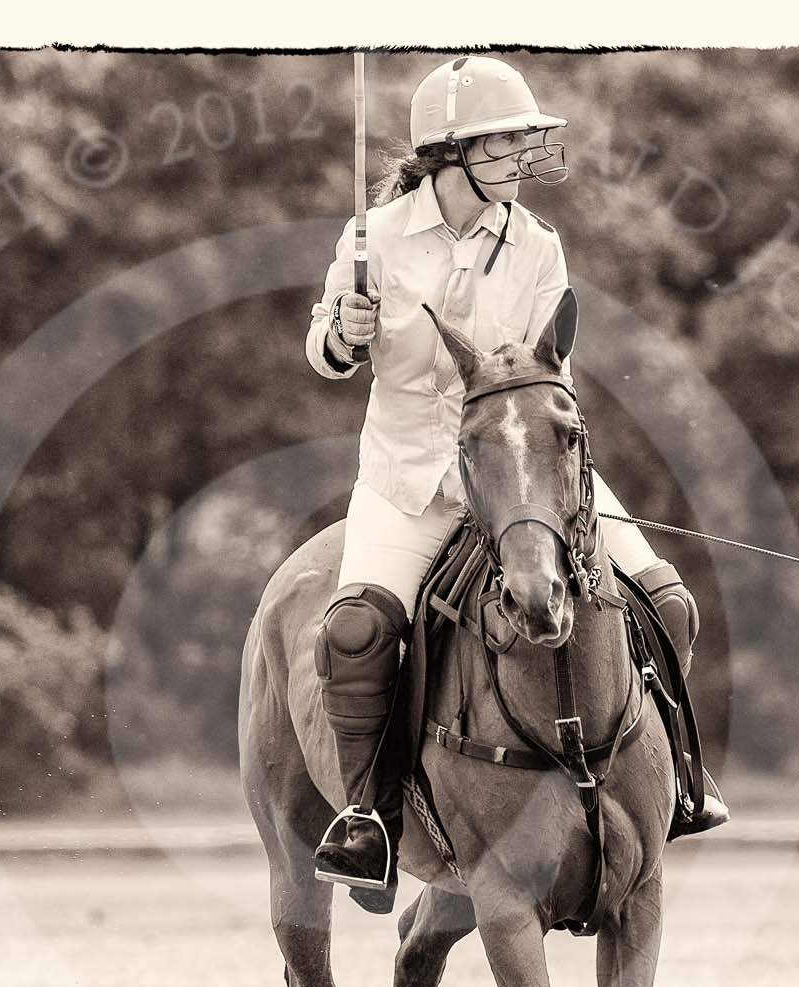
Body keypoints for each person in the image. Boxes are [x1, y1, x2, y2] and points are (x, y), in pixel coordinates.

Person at [305, 55, 726, 912]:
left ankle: (670, 777)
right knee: (355, 634)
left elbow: (550, 375)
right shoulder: (370, 241)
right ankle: (370, 816)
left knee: (668, 602)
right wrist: (347, 332)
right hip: (410, 477)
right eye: (503, 141)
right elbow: (324, 356)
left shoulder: (536, 246)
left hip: (525, 472)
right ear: (450, 153)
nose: (523, 155)